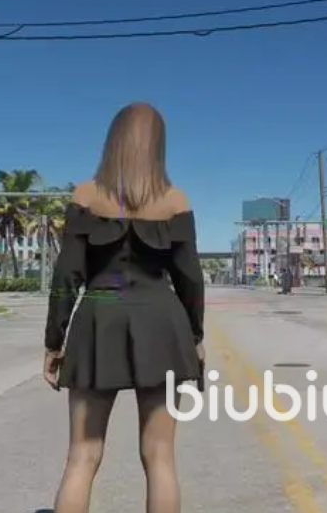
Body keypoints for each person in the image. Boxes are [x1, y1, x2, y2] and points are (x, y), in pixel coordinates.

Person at [43, 102, 205, 513]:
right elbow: (190, 279)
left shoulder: (85, 195)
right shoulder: (175, 201)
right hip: (162, 323)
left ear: (112, 141)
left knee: (82, 455)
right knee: (160, 456)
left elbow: (67, 276)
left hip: (98, 321)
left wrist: (54, 341)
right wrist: (195, 336)